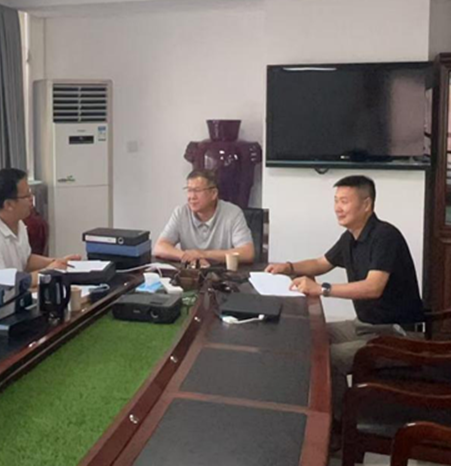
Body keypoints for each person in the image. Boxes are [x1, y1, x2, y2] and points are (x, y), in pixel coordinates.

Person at [264, 175, 424, 438]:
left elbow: (373, 287)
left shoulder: (385, 236)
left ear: (366, 204)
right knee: (309, 336)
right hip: (367, 326)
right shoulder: (350, 238)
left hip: (398, 334)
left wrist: (322, 289)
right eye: (336, 201)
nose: (338, 208)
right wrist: (288, 267)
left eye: (345, 201)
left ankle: (338, 431)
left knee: (330, 358)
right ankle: (310, 413)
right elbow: (321, 263)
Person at [0, 168, 81, 276]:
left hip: (16, 290)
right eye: (27, 196)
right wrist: (48, 271)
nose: (32, 199)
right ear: (8, 205)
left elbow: (26, 261)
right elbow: (2, 283)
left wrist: (57, 262)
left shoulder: (18, 223)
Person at [153, 170, 254, 266]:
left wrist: (203, 254)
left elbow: (247, 252)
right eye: (189, 190)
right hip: (192, 273)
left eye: (197, 191)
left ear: (213, 193)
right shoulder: (181, 213)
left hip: (224, 273)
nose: (192, 197)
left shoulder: (233, 213)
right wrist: (186, 256)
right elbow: (159, 247)